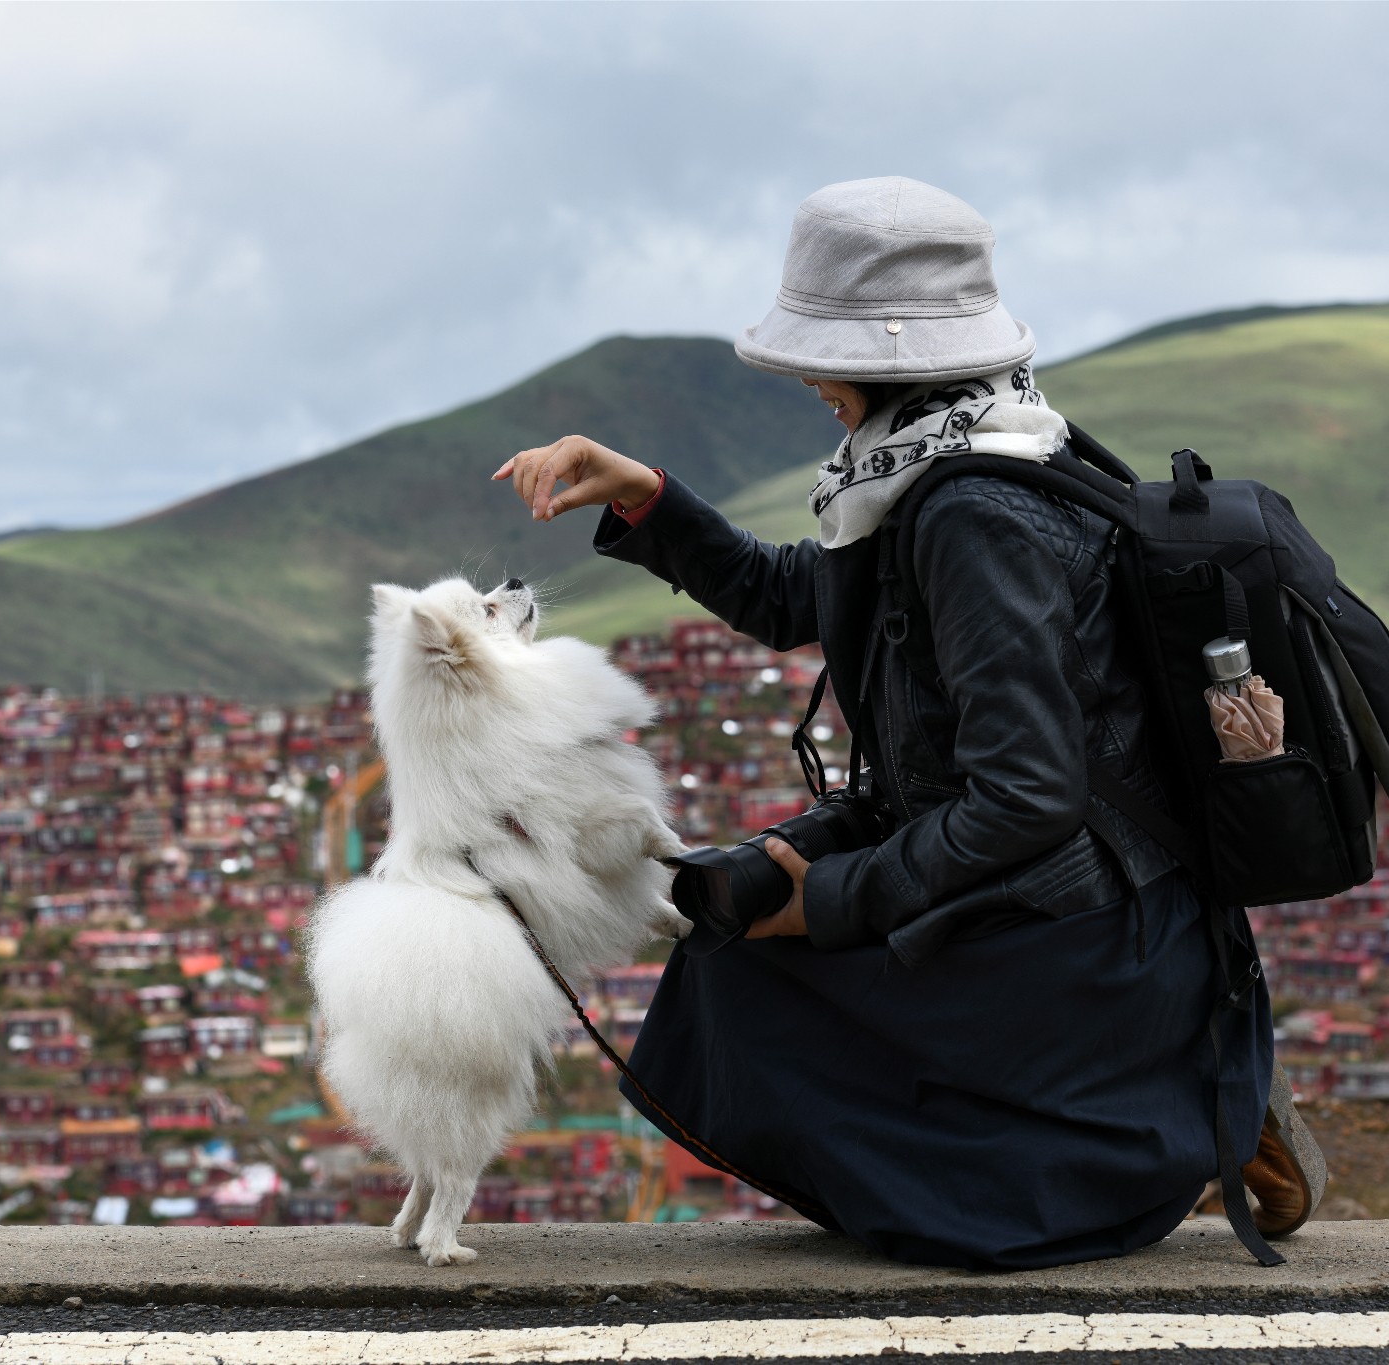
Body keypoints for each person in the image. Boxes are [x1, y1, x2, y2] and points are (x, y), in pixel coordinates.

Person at [492, 177, 1321, 1269]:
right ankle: (1167, 1084)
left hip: (1084, 930)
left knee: (755, 977)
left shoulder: (971, 514)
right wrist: (643, 493)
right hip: (1076, 893)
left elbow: (1028, 794)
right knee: (734, 929)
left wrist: (827, 900)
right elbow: (805, 598)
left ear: (881, 362)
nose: (811, 385)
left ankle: (1168, 1106)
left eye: (819, 358)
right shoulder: (962, 455)